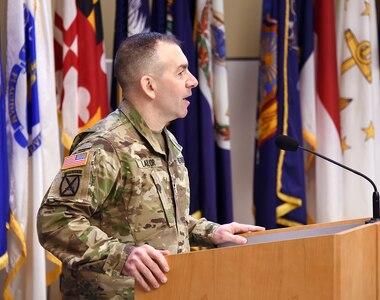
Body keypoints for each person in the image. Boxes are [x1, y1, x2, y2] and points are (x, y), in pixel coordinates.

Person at [37, 32, 264, 299]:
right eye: (181, 73)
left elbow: (159, 222)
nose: (192, 82)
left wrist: (211, 232)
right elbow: (54, 221)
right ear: (150, 85)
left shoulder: (164, 139)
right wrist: (123, 256)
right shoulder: (106, 145)